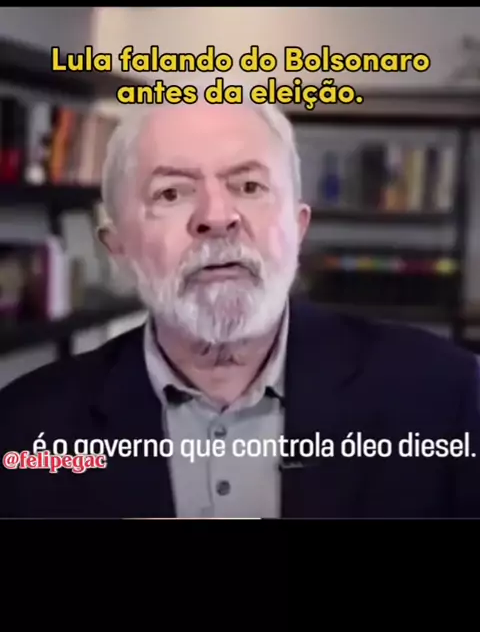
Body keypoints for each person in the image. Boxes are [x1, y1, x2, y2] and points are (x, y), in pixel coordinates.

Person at [1, 99, 480, 519]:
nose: (217, 217)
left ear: (298, 227)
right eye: (171, 193)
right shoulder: (23, 429)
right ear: (118, 247)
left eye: (249, 186)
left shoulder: (449, 397)